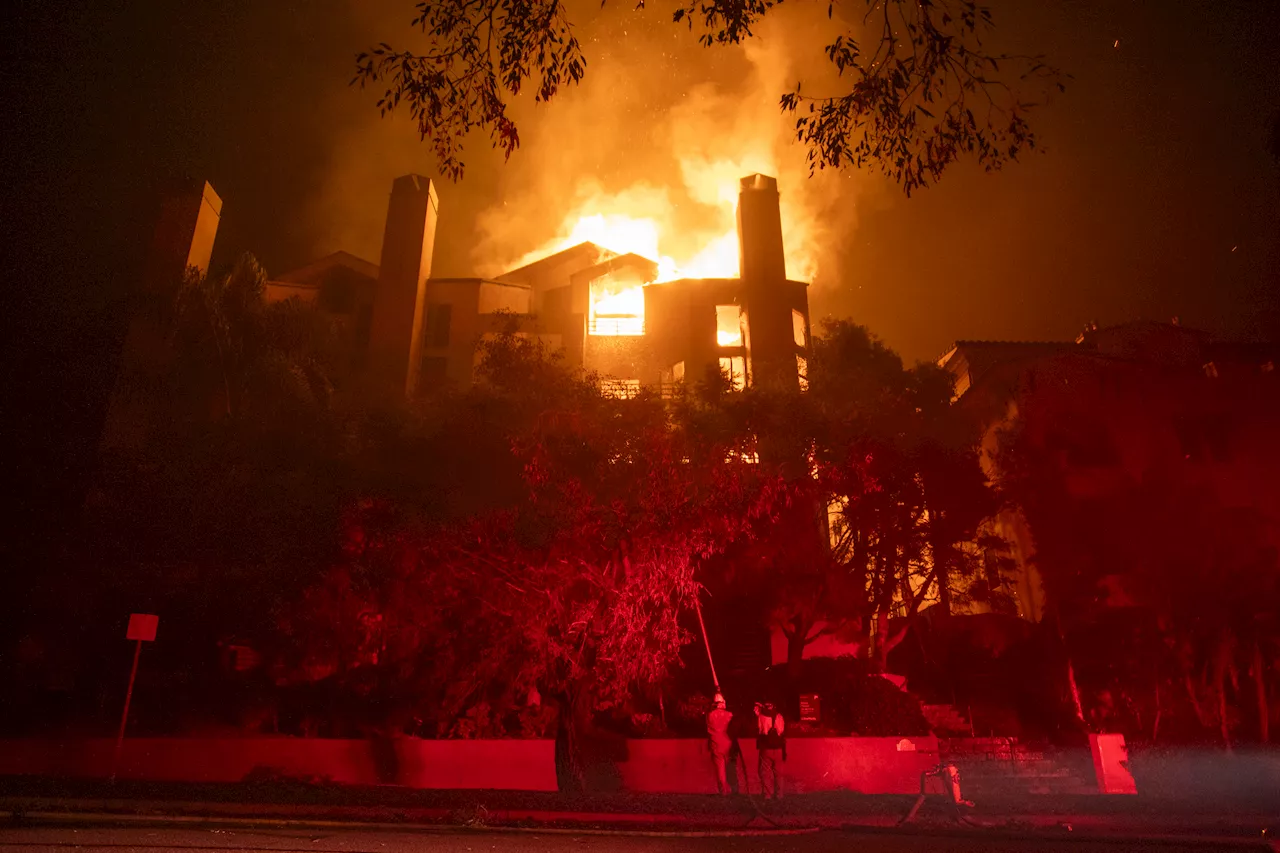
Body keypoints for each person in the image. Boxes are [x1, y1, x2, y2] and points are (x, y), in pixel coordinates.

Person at [755, 700, 786, 799]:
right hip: (778, 747)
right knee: (779, 773)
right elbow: (781, 731)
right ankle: (779, 794)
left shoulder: (761, 717)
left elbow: (759, 729)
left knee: (765, 772)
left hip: (766, 747)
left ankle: (767, 794)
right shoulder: (779, 716)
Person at [706, 693, 734, 794]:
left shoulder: (710, 715)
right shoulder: (729, 715)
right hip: (727, 743)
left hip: (716, 744)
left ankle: (724, 790)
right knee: (727, 768)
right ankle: (727, 788)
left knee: (720, 769)